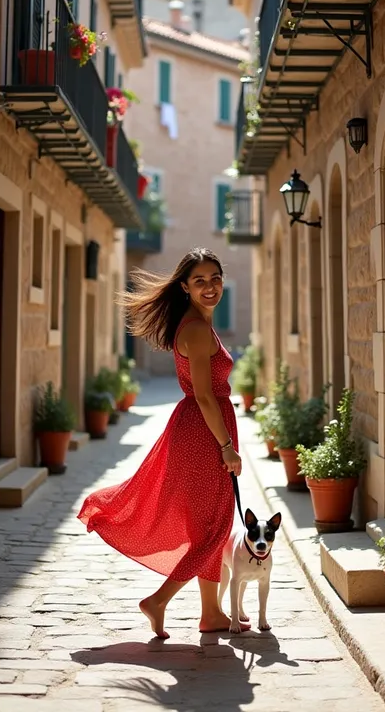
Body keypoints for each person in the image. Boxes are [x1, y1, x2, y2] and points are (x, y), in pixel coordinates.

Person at [77, 247, 245, 639]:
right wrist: (225, 445)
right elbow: (204, 395)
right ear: (185, 287)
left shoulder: (196, 323)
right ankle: (159, 600)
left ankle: (211, 613)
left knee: (208, 525)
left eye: (215, 278)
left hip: (200, 429)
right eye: (199, 280)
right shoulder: (197, 330)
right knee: (214, 527)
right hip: (204, 434)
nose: (210, 287)